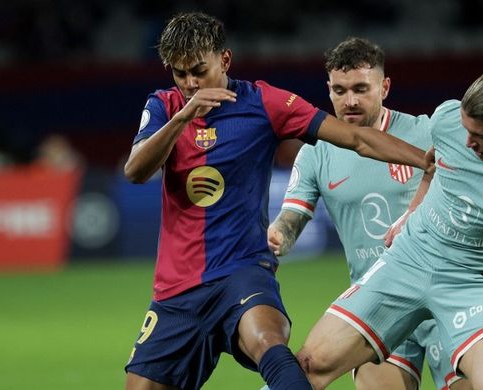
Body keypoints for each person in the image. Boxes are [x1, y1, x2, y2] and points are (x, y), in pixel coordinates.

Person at [122, 13, 432, 390]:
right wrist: (184, 116)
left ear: (225, 60)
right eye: (180, 74)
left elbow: (357, 139)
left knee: (268, 341)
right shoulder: (164, 106)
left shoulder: (266, 103)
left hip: (241, 270)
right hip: (176, 288)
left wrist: (424, 160)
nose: (190, 83)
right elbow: (135, 171)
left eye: (199, 71)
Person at [268, 38, 483, 390]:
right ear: (327, 90)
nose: (350, 101)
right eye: (340, 90)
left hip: (451, 301)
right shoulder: (316, 154)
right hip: (384, 300)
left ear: (384, 87)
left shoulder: (425, 133)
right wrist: (279, 237)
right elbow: (293, 217)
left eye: (361, 89)